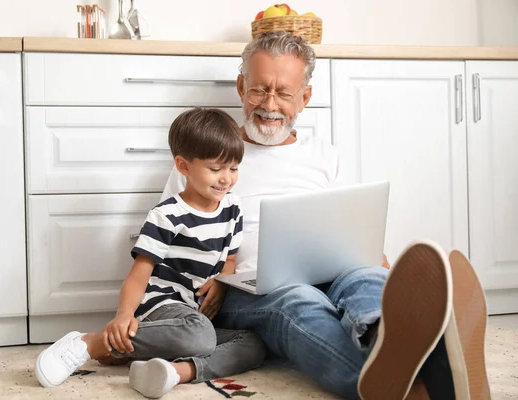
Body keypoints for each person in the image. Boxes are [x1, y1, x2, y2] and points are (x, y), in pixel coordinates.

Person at [160, 32, 490, 400]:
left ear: (304, 98)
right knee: (301, 300)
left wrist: (375, 264)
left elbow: (351, 223)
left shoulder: (325, 155)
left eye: (284, 93)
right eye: (259, 90)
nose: (270, 104)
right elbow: (169, 240)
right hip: (246, 289)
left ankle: (392, 337)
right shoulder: (204, 156)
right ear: (241, 87)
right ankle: (425, 380)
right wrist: (220, 275)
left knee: (365, 278)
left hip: (330, 271)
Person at [34, 108, 266, 399]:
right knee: (200, 335)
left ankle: (175, 372)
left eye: (233, 168)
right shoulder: (167, 215)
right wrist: (123, 316)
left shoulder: (233, 208)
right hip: (162, 307)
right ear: (184, 166)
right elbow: (139, 274)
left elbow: (230, 259)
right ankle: (93, 343)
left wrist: (221, 281)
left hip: (195, 314)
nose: (226, 179)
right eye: (215, 169)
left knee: (254, 343)